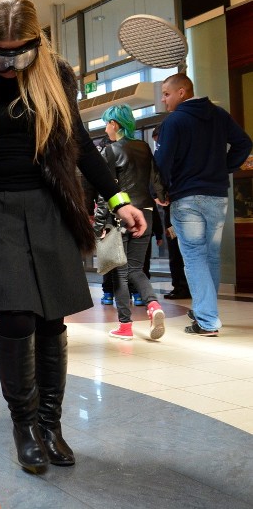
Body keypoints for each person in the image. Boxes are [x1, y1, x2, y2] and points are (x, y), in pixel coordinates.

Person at [0, 0, 146, 473]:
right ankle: (23, 425)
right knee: (17, 320)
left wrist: (120, 201)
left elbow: (81, 144)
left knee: (50, 323)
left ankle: (50, 424)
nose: (6, 62)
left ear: (36, 44)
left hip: (48, 209)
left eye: (16, 52)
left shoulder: (56, 75)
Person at [154, 73, 252, 336]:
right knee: (210, 256)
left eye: (166, 93)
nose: (164, 100)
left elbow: (162, 162)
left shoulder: (174, 121)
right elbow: (244, 143)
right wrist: (225, 167)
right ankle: (204, 311)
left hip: (187, 198)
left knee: (195, 257)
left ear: (182, 92)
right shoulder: (219, 115)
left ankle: (207, 320)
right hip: (218, 196)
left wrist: (161, 192)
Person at [93, 104, 168, 341]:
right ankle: (153, 305)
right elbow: (156, 178)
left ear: (115, 124)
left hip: (121, 214)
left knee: (120, 273)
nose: (105, 128)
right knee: (137, 268)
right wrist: (162, 199)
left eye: (107, 123)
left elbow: (107, 191)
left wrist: (100, 225)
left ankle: (125, 326)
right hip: (146, 212)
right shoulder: (145, 147)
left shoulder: (110, 151)